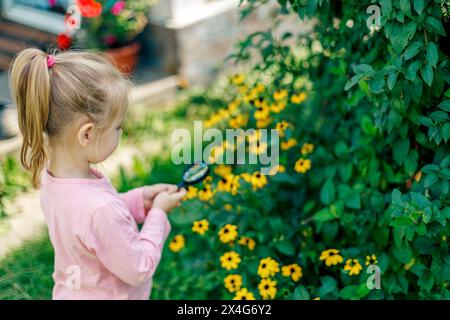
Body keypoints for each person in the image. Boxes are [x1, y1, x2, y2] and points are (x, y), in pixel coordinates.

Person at [9, 48, 186, 299]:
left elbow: (88, 226)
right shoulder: (99, 209)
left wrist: (137, 200)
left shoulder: (53, 181)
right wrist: (158, 214)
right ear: (87, 134)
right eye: (118, 126)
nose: (121, 133)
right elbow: (138, 267)